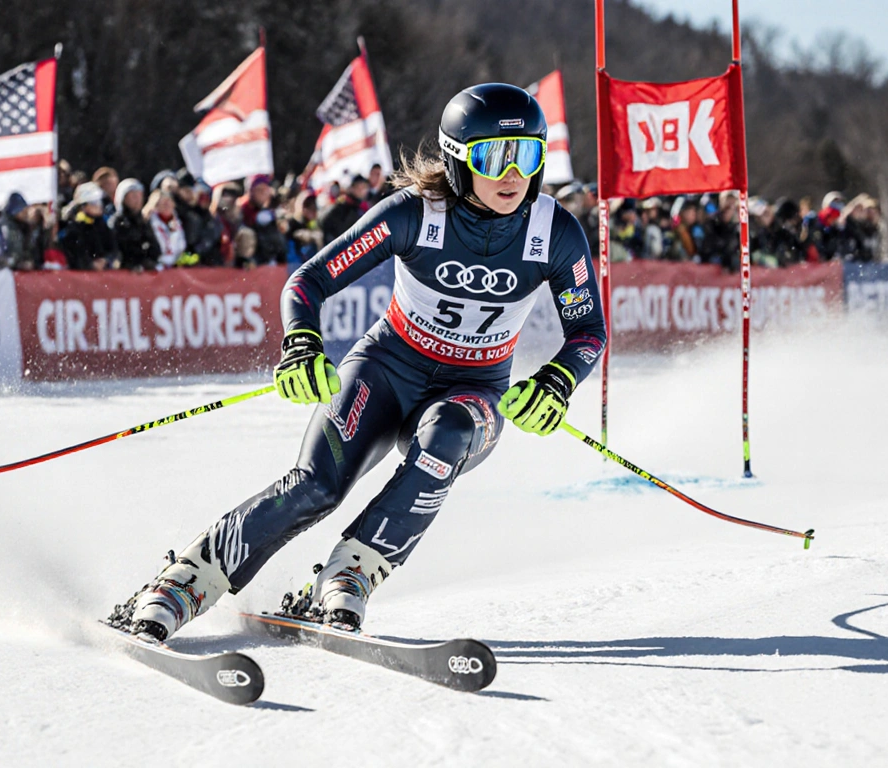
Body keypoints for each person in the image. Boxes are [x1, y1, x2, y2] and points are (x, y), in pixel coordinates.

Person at [107, 83, 606, 641]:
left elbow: (587, 330)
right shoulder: (416, 215)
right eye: (495, 156)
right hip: (387, 369)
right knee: (317, 485)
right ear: (459, 160)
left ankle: (351, 576)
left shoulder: (554, 231)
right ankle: (183, 583)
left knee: (446, 437)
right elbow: (310, 280)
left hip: (473, 392)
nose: (512, 174)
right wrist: (301, 344)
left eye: (528, 156)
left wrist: (558, 381)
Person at [58, 182, 119, 270]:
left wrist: (106, 260)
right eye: (94, 202)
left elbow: (113, 249)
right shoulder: (73, 229)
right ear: (83, 206)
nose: (99, 205)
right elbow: (74, 255)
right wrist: (90, 264)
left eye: (99, 201)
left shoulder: (103, 226)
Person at [112, 178, 160, 271]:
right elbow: (117, 250)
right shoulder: (117, 222)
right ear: (123, 198)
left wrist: (148, 261)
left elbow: (154, 247)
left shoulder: (143, 221)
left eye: (139, 195)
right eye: (133, 196)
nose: (138, 199)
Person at [144, 190, 190, 269]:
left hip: (174, 267)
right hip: (156, 266)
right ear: (156, 205)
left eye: (169, 202)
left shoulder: (176, 222)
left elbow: (181, 245)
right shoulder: (149, 222)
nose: (167, 206)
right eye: (164, 203)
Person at [320, 174, 371, 243]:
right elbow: (325, 222)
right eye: (359, 187)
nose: (362, 191)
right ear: (352, 188)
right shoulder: (343, 204)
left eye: (364, 187)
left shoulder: (362, 206)